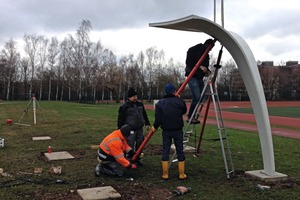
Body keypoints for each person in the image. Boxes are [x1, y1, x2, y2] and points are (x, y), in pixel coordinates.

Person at [152, 83, 187, 180]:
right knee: (180, 151)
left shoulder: (160, 103)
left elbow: (158, 118)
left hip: (166, 131)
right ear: (174, 91)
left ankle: (165, 174)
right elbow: (184, 111)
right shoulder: (179, 101)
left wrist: (154, 126)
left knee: (166, 151)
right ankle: (181, 174)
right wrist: (179, 99)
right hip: (178, 130)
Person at [117, 87, 151, 166]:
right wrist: (120, 130)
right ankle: (129, 160)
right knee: (129, 145)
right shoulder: (124, 106)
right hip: (129, 130)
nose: (135, 98)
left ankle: (137, 159)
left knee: (140, 144)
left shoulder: (140, 104)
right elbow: (120, 119)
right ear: (129, 97)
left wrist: (147, 123)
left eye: (136, 96)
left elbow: (144, 114)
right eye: (133, 96)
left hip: (139, 129)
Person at [185, 39, 214, 123]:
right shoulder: (195, 49)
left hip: (199, 78)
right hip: (192, 76)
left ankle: (192, 116)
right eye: (211, 47)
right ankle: (190, 116)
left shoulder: (206, 55)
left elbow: (205, 67)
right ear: (208, 45)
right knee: (197, 97)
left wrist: (207, 71)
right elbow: (190, 62)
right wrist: (201, 68)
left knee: (201, 98)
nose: (211, 49)